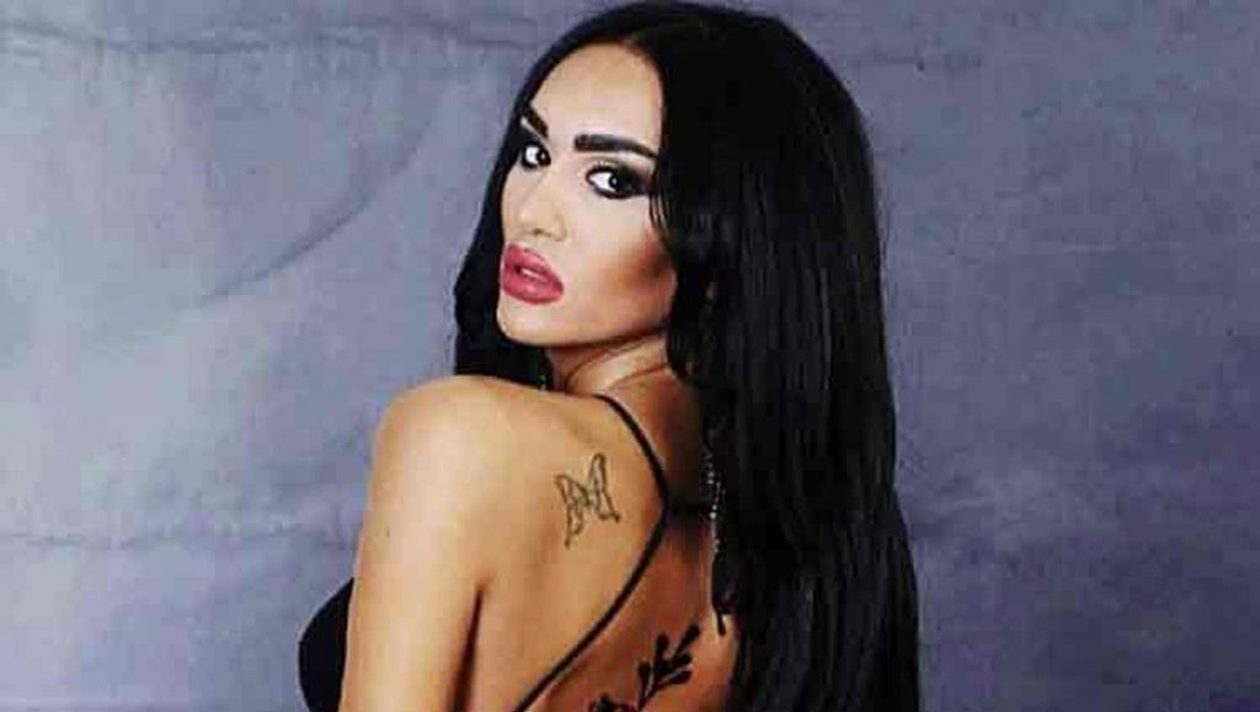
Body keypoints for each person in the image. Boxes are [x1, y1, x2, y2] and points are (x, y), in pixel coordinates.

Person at [297, 2, 921, 711]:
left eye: (613, 181)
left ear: (735, 242)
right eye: (535, 153)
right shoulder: (822, 539)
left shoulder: (460, 437)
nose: (533, 211)